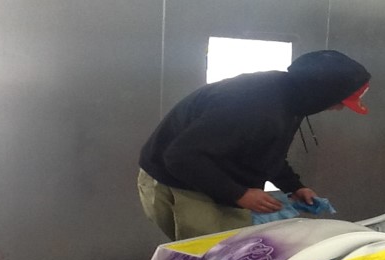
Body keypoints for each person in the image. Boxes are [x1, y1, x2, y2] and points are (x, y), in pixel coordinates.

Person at [138, 50, 371, 240]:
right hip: (179, 180)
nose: (340, 108)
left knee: (231, 250)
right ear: (322, 92)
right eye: (340, 101)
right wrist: (239, 194)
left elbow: (266, 151)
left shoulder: (295, 99)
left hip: (212, 173)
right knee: (209, 257)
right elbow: (181, 157)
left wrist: (293, 187)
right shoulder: (250, 104)